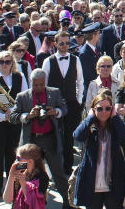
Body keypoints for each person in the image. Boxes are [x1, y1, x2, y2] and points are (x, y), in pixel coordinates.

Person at [8, 68, 70, 208]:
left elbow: (64, 108)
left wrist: (56, 112)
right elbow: (13, 116)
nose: (39, 87)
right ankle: (18, 203)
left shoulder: (54, 93)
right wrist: (27, 116)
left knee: (58, 172)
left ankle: (68, 202)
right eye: (36, 85)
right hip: (31, 142)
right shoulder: (22, 96)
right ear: (31, 83)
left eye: (42, 84)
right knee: (24, 172)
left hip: (50, 139)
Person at [72, 89, 125, 209]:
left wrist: (115, 117)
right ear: (94, 110)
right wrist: (89, 118)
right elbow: (77, 136)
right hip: (93, 181)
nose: (104, 112)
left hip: (113, 182)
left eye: (108, 108)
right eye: (100, 108)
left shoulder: (115, 126)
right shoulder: (90, 126)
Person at [0, 50, 27, 198]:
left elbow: (24, 96)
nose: (4, 65)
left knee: (12, 154)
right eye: (1, 62)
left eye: (8, 62)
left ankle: (13, 187)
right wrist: (1, 116)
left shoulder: (20, 77)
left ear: (12, 63)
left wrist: (12, 112)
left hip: (13, 121)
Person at [42, 29, 85, 175]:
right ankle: (55, 168)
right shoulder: (48, 61)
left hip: (72, 104)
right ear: (55, 44)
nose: (65, 46)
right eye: (61, 43)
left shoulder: (76, 60)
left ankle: (67, 167)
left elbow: (80, 81)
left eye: (67, 43)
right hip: (54, 106)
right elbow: (44, 84)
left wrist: (78, 101)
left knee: (69, 138)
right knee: (54, 137)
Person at [3, 143, 49, 209]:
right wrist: (11, 176)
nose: (15, 161)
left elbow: (33, 204)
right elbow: (7, 200)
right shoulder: (21, 171)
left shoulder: (42, 177)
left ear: (30, 161)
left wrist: (23, 183)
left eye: (18, 159)